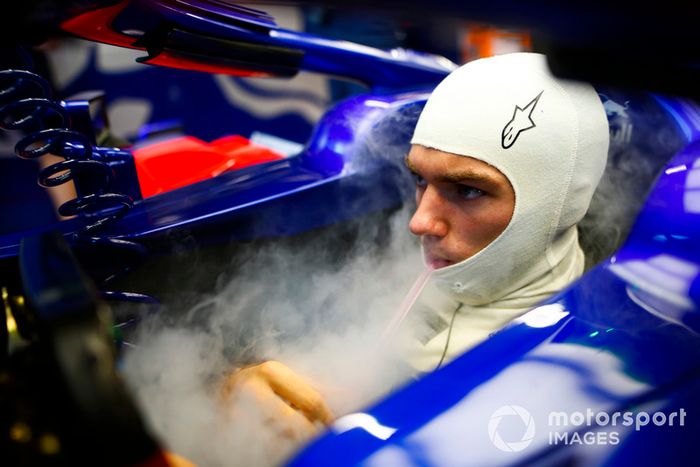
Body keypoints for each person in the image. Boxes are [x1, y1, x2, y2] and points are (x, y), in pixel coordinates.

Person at [221, 52, 610, 438]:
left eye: (469, 190)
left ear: (559, 205)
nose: (419, 221)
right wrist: (240, 386)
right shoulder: (397, 279)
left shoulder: (560, 391)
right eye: (420, 179)